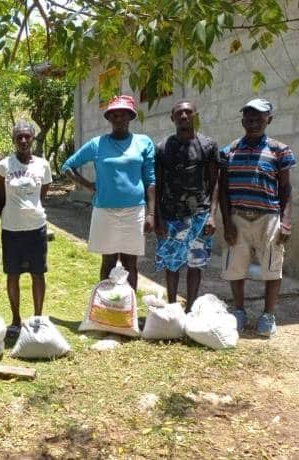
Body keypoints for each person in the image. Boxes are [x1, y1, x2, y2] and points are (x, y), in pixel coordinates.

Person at [61, 95, 156, 291]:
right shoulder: (98, 144)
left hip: (133, 212)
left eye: (123, 115)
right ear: (109, 118)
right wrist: (89, 186)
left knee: (130, 264)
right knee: (108, 262)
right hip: (105, 212)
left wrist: (151, 213)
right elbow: (68, 166)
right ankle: (104, 310)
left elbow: (151, 181)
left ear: (130, 117)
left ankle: (128, 314)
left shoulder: (143, 143)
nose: (119, 119)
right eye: (114, 115)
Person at [219, 98, 295, 337]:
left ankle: (268, 315)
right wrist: (226, 222)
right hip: (238, 218)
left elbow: (286, 189)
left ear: (268, 120)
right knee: (235, 268)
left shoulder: (279, 150)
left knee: (272, 268)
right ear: (242, 121)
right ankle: (239, 311)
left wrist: (286, 221)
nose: (253, 122)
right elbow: (222, 190)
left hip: (269, 219)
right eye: (249, 118)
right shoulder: (229, 150)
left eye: (259, 118)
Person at [0, 121, 52, 337]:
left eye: (27, 137)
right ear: (13, 140)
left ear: (32, 139)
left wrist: (31, 210)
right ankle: (15, 320)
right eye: (18, 137)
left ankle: (38, 318)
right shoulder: (4, 166)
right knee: (12, 274)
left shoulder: (42, 165)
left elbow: (42, 196)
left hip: (36, 228)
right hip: (11, 229)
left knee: (37, 273)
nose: (23, 140)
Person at [154, 100, 219, 309]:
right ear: (172, 118)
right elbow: (158, 184)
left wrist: (212, 215)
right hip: (171, 216)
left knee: (195, 262)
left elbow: (215, 183)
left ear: (195, 115)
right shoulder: (163, 147)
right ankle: (172, 307)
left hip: (200, 215)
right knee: (171, 263)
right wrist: (158, 217)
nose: (183, 116)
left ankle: (190, 308)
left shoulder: (208, 145)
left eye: (188, 112)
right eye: (179, 113)